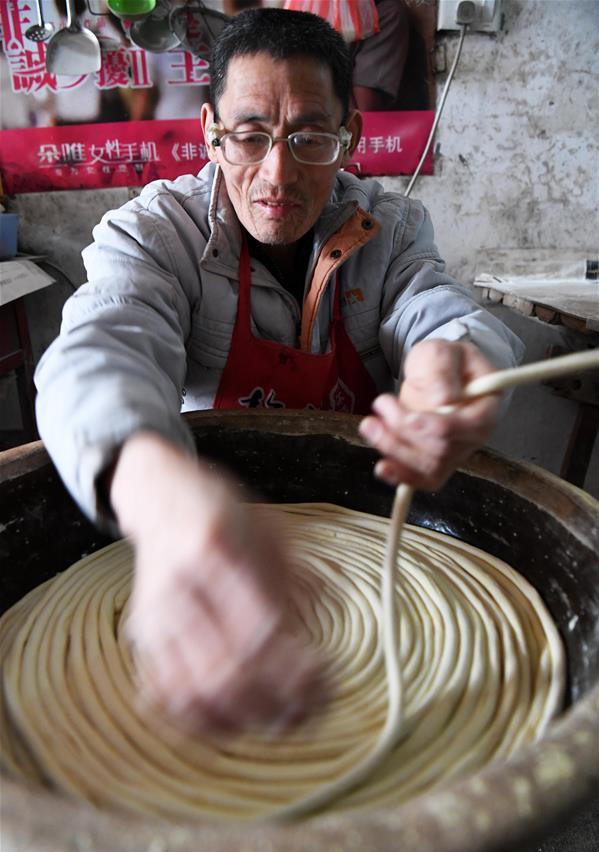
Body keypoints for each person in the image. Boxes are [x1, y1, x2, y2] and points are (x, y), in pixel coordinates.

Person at [35, 8, 523, 736]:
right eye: (250, 135)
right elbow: (100, 351)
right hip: (204, 506)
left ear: (348, 137)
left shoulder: (389, 228)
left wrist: (451, 365)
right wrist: (166, 511)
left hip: (365, 529)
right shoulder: (156, 232)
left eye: (309, 138)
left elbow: (438, 308)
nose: (277, 174)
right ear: (209, 131)